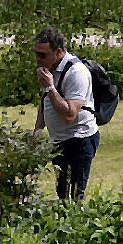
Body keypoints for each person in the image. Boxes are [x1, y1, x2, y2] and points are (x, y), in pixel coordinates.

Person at [33, 26, 100, 200]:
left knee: (76, 194)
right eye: (36, 53)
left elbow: (70, 115)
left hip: (79, 139)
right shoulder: (50, 69)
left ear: (59, 51)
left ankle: (79, 225)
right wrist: (37, 131)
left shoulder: (76, 73)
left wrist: (49, 86)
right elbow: (46, 101)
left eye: (42, 55)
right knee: (62, 193)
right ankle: (65, 224)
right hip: (59, 140)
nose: (37, 59)